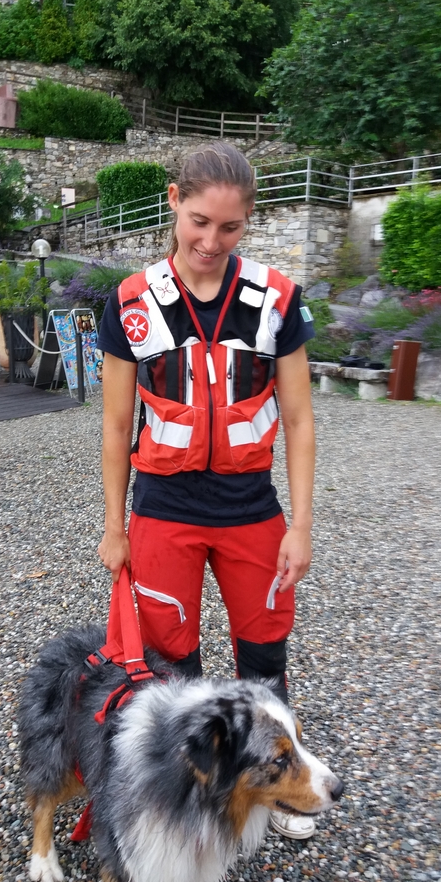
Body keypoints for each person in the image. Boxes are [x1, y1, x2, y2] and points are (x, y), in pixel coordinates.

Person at [97, 142, 317, 840]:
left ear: (249, 220)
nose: (210, 242)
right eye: (198, 221)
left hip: (251, 510)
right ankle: (185, 794)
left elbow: (299, 419)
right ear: (173, 201)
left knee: (265, 659)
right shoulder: (131, 303)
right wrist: (114, 525)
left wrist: (301, 524)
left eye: (230, 227)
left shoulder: (277, 299)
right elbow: (116, 424)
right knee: (174, 664)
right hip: (164, 511)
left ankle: (281, 788)